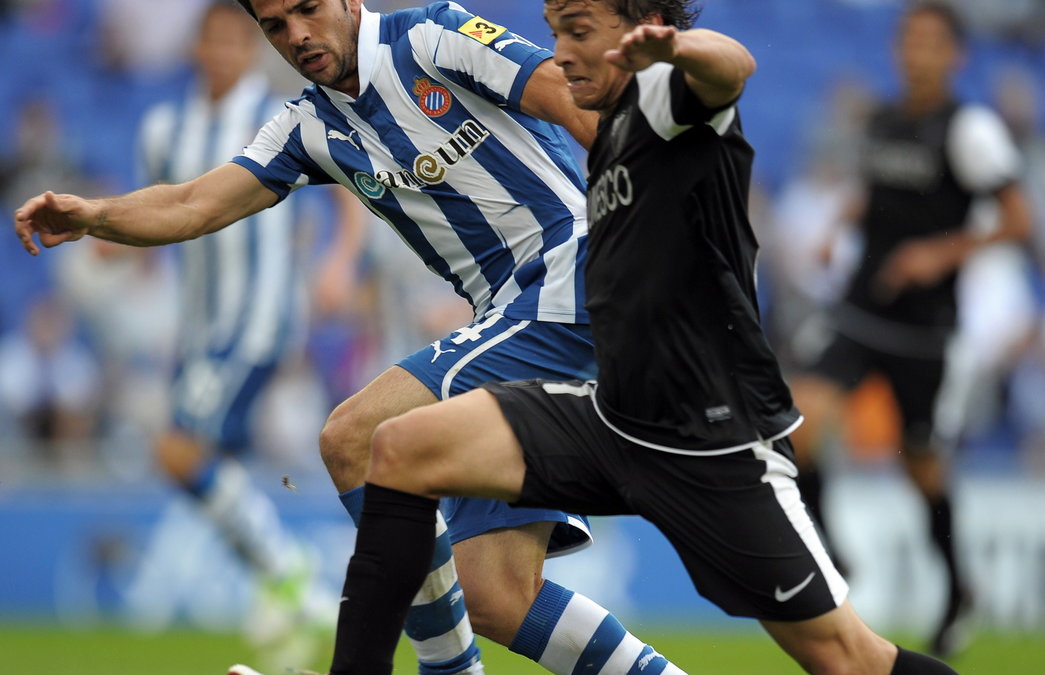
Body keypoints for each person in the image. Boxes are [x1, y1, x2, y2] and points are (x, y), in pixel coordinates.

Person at [287, 1, 961, 673]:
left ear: (636, 30)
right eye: (555, 33)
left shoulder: (667, 101)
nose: (559, 52)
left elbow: (734, 67)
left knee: (850, 659)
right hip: (612, 420)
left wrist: (674, 50)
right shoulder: (604, 139)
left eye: (577, 33)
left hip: (713, 439)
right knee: (399, 444)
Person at [14, 1, 684, 674]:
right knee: (494, 594)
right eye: (276, 25)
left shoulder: (433, 35)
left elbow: (574, 104)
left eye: (308, 9)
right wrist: (96, 214)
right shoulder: (308, 125)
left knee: (355, 436)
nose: (298, 35)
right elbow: (194, 203)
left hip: (581, 273)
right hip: (509, 318)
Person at [787, 1, 1033, 657]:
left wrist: (937, 254)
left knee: (919, 465)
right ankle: (834, 553)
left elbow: (1018, 219)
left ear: (955, 55)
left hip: (925, 331)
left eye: (929, 42)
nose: (915, 52)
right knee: (800, 420)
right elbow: (881, 191)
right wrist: (842, 221)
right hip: (862, 311)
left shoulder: (969, 129)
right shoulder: (885, 119)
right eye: (908, 39)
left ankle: (958, 588)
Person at [137, 4, 349, 653]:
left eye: (238, 40)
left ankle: (285, 571)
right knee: (201, 462)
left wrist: (337, 260)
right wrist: (100, 235)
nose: (226, 52)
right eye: (215, 41)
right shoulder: (164, 128)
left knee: (177, 449)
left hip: (258, 319)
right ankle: (282, 599)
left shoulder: (281, 114)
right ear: (198, 47)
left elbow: (346, 190)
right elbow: (163, 209)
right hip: (199, 326)